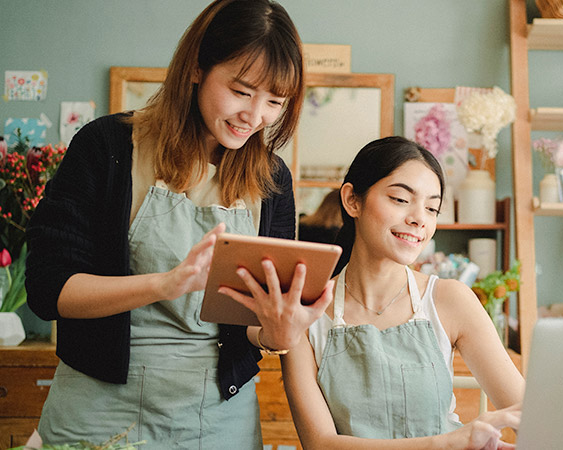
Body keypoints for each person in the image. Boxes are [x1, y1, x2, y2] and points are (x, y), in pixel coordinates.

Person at [25, 1, 332, 448]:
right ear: (195, 68)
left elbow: (251, 325)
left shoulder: (271, 179)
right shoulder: (106, 146)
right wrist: (165, 284)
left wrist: (279, 331)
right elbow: (49, 290)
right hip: (96, 406)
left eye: (274, 102)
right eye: (242, 91)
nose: (255, 115)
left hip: (216, 416)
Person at [277, 136, 525, 449]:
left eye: (432, 207)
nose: (419, 218)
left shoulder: (450, 300)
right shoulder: (304, 312)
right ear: (352, 200)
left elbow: (530, 417)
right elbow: (321, 444)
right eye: (400, 199)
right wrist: (448, 444)